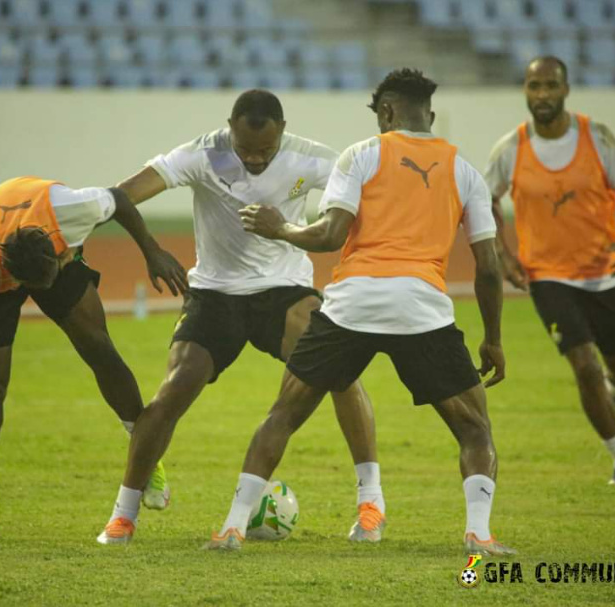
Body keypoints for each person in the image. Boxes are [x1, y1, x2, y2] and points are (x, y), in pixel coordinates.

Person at [207, 69, 515, 556]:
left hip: (352, 306)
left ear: (386, 112)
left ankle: (231, 528)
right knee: (474, 428)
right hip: (422, 309)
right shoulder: (465, 171)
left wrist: (279, 228)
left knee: (284, 414)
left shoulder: (362, 155)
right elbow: (490, 267)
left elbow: (329, 236)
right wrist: (493, 337)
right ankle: (479, 535)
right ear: (429, 115)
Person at [96, 90, 384, 545]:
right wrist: (149, 249)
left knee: (340, 370)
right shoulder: (203, 154)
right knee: (174, 390)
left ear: (282, 132)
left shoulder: (311, 160)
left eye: (264, 151)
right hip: (214, 294)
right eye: (244, 147)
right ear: (229, 126)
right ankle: (123, 514)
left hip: (283, 291)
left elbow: (359, 208)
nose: (252, 158)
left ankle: (371, 503)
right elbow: (120, 195)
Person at [0, 176, 187, 542]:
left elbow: (119, 198)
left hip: (46, 245)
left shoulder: (68, 212)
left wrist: (151, 251)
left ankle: (145, 452)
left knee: (100, 350)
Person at [485, 56, 615, 484]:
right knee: (584, 364)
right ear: (524, 90)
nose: (542, 95)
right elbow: (486, 202)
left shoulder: (598, 138)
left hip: (604, 272)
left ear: (566, 90)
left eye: (551, 86)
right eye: (534, 86)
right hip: (547, 277)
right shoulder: (511, 148)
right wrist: (504, 254)